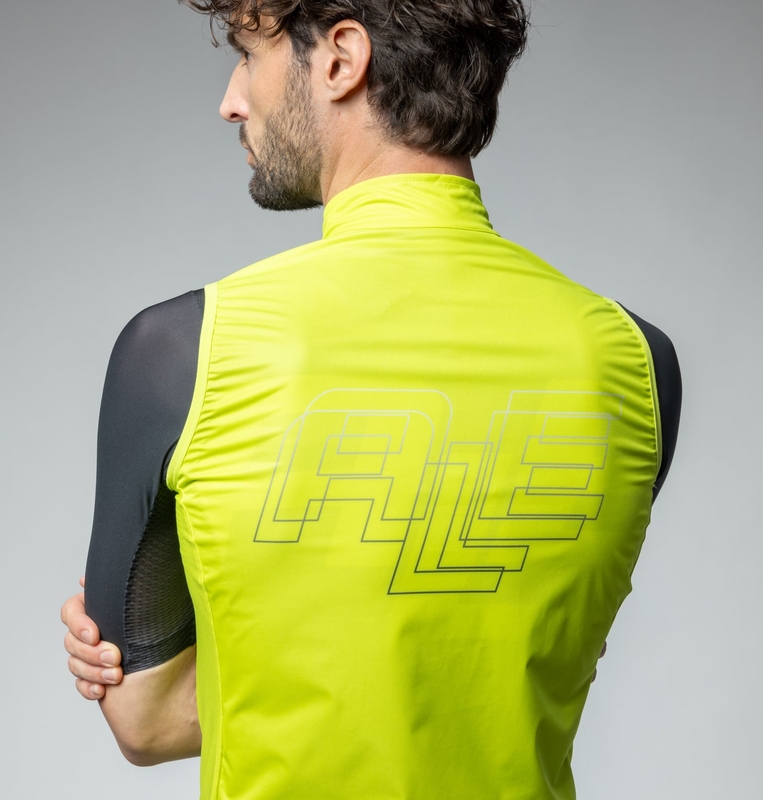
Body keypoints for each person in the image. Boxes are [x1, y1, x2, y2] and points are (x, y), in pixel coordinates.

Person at [61, 1, 681, 798]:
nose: (231, 100)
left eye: (249, 53)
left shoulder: (183, 351)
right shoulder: (636, 360)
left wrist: (208, 657)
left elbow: (146, 720)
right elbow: (536, 665)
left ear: (342, 58)